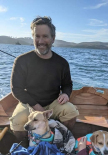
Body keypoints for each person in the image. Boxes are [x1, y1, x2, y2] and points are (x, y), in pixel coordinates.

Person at [10, 16, 79, 147]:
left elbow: (67, 84)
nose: (41, 41)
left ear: (53, 38)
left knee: (71, 112)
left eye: (45, 36)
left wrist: (65, 94)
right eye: (37, 36)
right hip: (29, 102)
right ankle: (29, 147)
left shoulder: (62, 63)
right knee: (17, 123)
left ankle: (57, 141)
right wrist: (36, 106)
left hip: (53, 102)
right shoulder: (21, 60)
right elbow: (16, 89)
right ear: (33, 37)